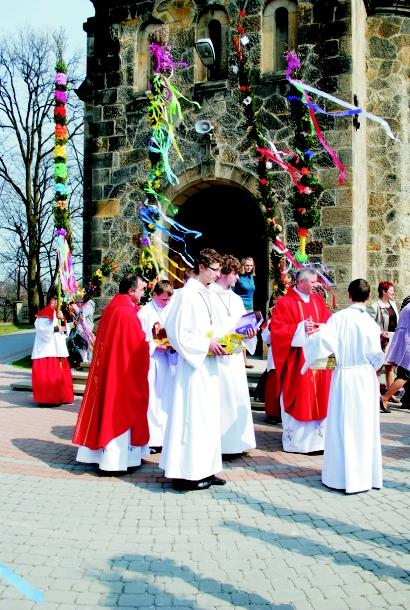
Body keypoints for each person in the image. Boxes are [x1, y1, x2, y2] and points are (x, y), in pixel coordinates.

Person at [302, 279, 384, 494]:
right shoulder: (371, 323)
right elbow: (376, 356)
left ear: (349, 295)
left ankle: (339, 476)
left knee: (342, 424)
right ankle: (366, 477)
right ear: (368, 298)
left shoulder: (337, 319)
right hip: (365, 377)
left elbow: (322, 347)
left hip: (344, 375)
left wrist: (316, 358)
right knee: (365, 426)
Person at [160, 248, 227, 491]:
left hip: (208, 366)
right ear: (201, 267)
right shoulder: (185, 295)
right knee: (192, 419)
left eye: (219, 270)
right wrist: (204, 345)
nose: (218, 275)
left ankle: (206, 469)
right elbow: (177, 333)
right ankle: (185, 474)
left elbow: (214, 328)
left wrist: (230, 339)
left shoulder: (208, 294)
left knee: (208, 419)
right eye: (215, 270)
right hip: (193, 367)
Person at [72, 274, 150, 474]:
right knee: (119, 412)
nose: (143, 293)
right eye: (141, 289)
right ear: (131, 291)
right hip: (123, 373)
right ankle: (115, 462)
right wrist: (152, 344)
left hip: (112, 368)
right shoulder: (126, 312)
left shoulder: (113, 306)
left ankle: (104, 456)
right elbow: (136, 345)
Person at [269, 268, 332, 453]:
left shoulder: (318, 300)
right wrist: (300, 329)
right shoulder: (285, 302)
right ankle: (298, 443)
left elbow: (329, 323)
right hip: (297, 361)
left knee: (320, 397)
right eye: (313, 282)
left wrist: (319, 327)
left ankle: (319, 443)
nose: (316, 285)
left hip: (318, 360)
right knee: (301, 398)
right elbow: (277, 331)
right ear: (301, 282)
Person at [210, 254, 256, 456]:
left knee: (236, 397)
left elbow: (243, 324)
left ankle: (236, 444)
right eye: (236, 273)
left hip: (235, 356)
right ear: (225, 272)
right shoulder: (208, 295)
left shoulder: (236, 299)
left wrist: (250, 332)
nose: (238, 278)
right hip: (217, 355)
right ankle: (219, 445)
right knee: (220, 400)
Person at [138, 280, 177, 451]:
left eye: (168, 300)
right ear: (154, 295)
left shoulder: (171, 310)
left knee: (167, 398)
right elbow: (139, 339)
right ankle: (153, 439)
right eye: (163, 300)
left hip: (168, 360)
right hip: (153, 360)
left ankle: (165, 437)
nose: (166, 303)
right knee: (153, 399)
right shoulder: (144, 312)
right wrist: (154, 346)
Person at [31, 290, 74, 407]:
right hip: (48, 349)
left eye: (59, 299)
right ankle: (47, 399)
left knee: (60, 373)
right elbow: (41, 328)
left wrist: (63, 320)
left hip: (58, 348)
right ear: (51, 299)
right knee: (49, 375)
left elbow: (65, 330)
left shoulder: (57, 313)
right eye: (56, 299)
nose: (58, 302)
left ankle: (61, 396)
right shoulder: (46, 312)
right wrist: (56, 328)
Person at [367, 281, 399, 399]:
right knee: (378, 367)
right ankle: (376, 394)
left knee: (390, 367)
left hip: (392, 338)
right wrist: (380, 333)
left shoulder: (393, 304)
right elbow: (369, 324)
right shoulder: (374, 307)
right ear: (383, 292)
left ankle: (390, 395)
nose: (393, 293)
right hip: (380, 340)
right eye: (391, 290)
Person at [381, 302, 410, 411]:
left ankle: (406, 401)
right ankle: (385, 398)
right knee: (405, 375)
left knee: (406, 375)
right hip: (407, 346)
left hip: (405, 344)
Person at [234, 257, 256, 368]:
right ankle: (243, 360)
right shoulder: (238, 277)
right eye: (247, 265)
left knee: (247, 335)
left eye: (251, 265)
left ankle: (244, 359)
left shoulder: (251, 277)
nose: (249, 267)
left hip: (249, 308)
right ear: (243, 265)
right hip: (240, 308)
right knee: (241, 335)